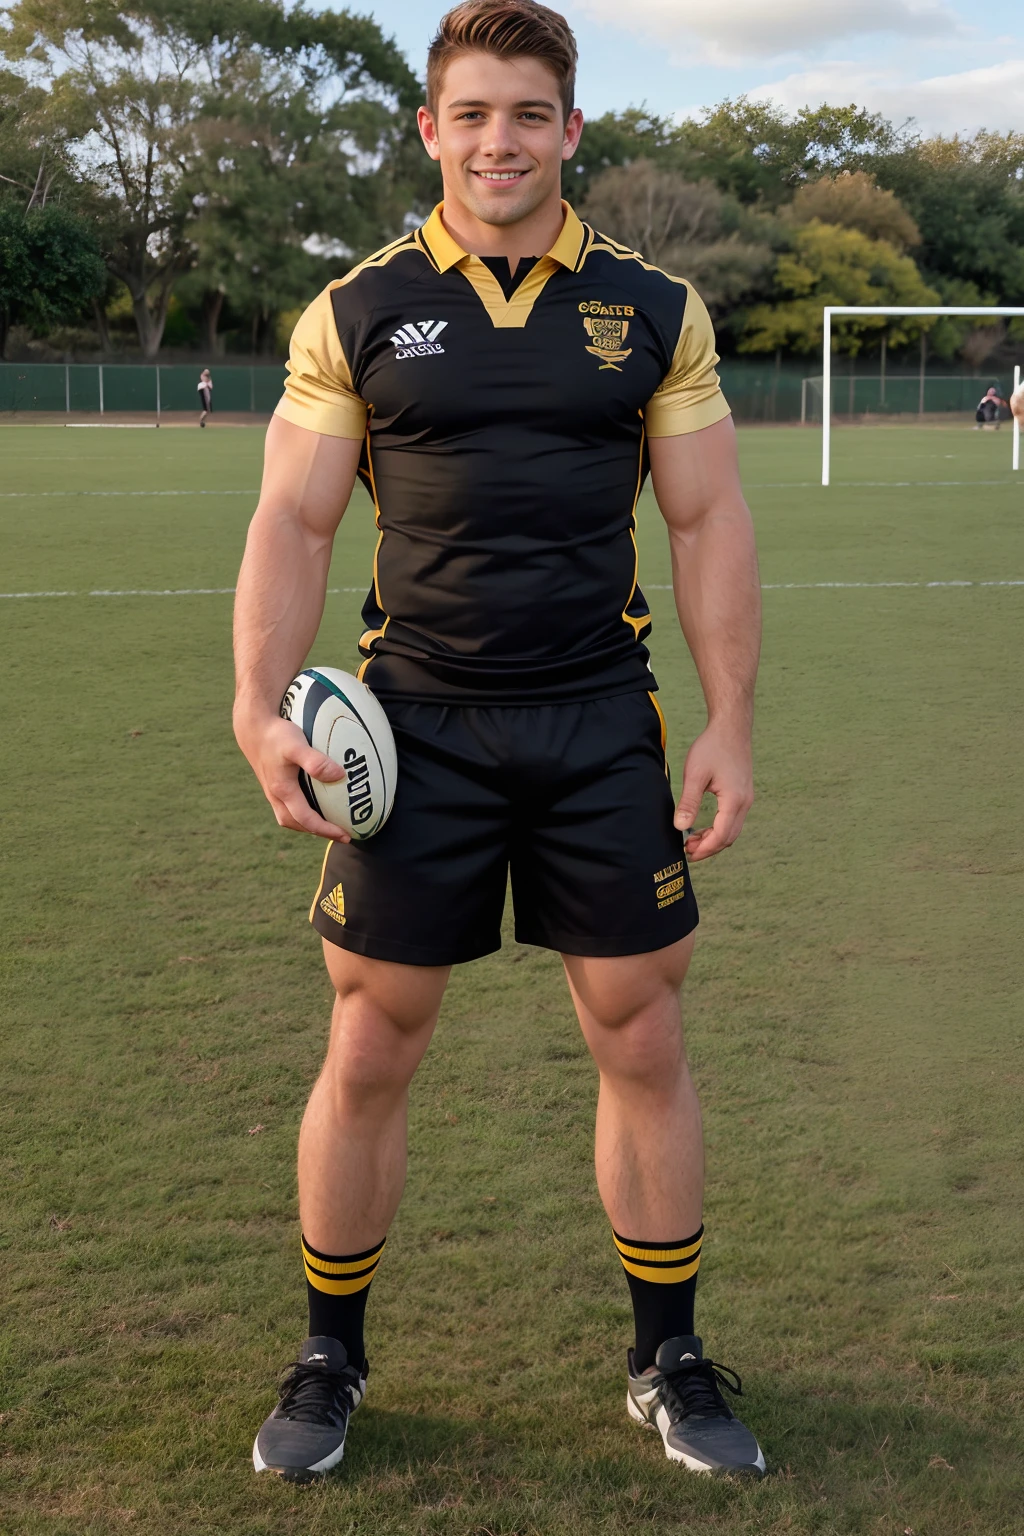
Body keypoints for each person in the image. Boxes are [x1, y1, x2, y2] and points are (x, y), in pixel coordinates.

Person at [233, 0, 764, 1485]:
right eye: (471, 113)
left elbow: (710, 518)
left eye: (528, 113)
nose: (499, 140)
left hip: (602, 717)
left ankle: (668, 1354)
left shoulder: (654, 308)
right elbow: (292, 516)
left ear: (571, 129)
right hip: (414, 730)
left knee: (641, 1030)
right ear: (431, 130)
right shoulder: (357, 307)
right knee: (372, 1035)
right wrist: (253, 706)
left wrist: (727, 720)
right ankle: (329, 1355)